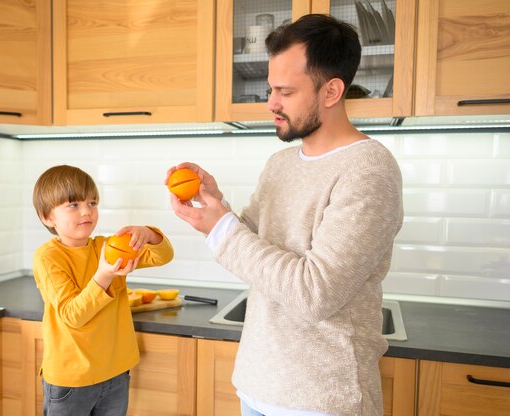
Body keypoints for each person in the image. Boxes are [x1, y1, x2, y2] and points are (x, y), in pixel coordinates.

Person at [166, 14, 403, 416]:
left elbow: (314, 294)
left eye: (286, 91)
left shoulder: (369, 170)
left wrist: (221, 228)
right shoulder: (280, 164)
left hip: (321, 400)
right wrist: (215, 205)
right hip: (257, 385)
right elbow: (251, 252)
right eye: (271, 89)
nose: (271, 103)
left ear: (331, 91)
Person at [32, 164, 174, 416]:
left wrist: (149, 234)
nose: (87, 211)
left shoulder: (107, 247)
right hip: (71, 380)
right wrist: (104, 275)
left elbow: (161, 257)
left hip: (116, 373)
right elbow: (73, 315)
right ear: (47, 217)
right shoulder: (48, 257)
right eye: (73, 204)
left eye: (92, 202)